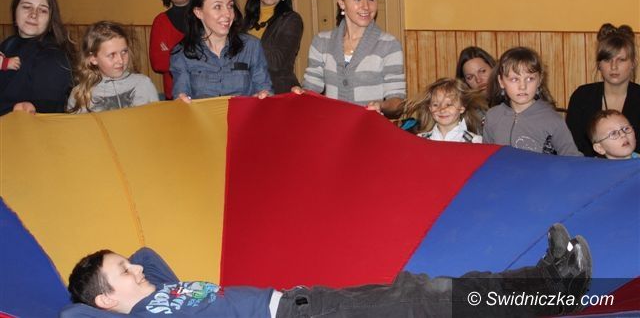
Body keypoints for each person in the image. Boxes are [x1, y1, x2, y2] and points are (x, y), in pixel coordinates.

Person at [62, 223, 591, 318]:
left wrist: (124, 277)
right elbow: (72, 316)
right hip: (300, 316)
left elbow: (148, 253)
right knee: (425, 299)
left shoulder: (159, 293)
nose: (138, 268)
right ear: (105, 301)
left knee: (420, 294)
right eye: (124, 271)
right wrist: (98, 299)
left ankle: (543, 285)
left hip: (306, 300)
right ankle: (552, 287)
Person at [294, 0, 406, 117]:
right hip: (332, 125)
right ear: (341, 2)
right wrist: (299, 93)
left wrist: (381, 105)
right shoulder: (321, 42)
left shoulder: (389, 45)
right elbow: (311, 89)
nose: (366, 6)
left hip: (369, 127)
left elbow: (398, 102)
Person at [170, 0, 272, 101]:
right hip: (203, 114)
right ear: (199, 12)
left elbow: (264, 87)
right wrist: (181, 100)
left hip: (243, 113)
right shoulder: (182, 53)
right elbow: (181, 94)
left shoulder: (251, 46)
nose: (227, 14)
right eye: (217, 7)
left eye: (230, 6)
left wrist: (263, 95)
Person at [484, 47, 581, 156]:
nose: (522, 86)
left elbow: (573, 158)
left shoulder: (552, 120)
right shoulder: (492, 116)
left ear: (539, 80)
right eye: (514, 79)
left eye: (530, 79)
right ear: (501, 81)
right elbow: (487, 157)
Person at [0, 0, 75, 116]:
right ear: (15, 10)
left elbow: (45, 112)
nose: (33, 14)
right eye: (27, 7)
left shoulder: (53, 57)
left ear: (50, 19)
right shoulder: (8, 44)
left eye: (42, 10)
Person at [566, 23, 639, 157]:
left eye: (621, 60)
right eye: (607, 59)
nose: (613, 66)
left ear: (633, 63)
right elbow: (572, 146)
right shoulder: (582, 97)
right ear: (599, 64)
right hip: (589, 167)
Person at [67, 21, 158, 113]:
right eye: (112, 55)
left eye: (124, 52)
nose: (120, 60)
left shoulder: (143, 84)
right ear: (93, 59)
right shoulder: (79, 95)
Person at [244, 0, 303, 94]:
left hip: (277, 91)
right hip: (247, 90)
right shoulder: (245, 21)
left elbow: (276, 62)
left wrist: (244, 47)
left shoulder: (291, 20)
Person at [149, 0, 199, 99]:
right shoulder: (160, 21)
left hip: (208, 93)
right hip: (175, 96)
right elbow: (158, 63)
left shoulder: (207, 14)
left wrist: (173, 53)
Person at [402, 78, 484, 143]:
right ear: (430, 108)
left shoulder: (474, 141)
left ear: (462, 108)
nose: (442, 110)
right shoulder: (420, 140)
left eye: (449, 105)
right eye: (436, 105)